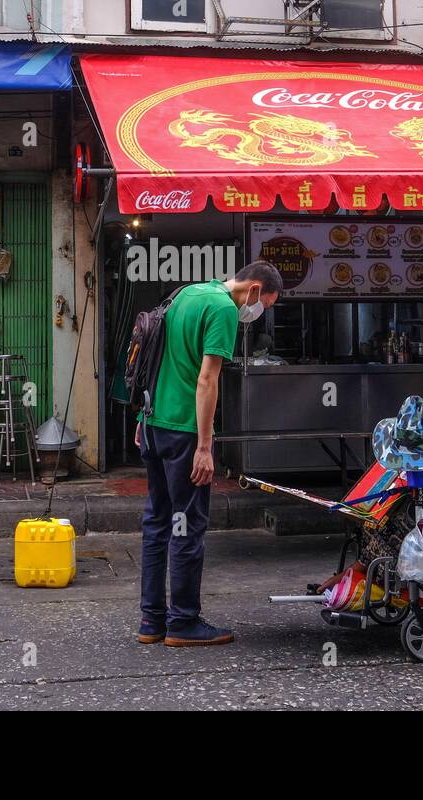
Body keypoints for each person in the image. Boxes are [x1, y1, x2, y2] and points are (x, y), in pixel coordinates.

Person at [134, 261, 282, 647]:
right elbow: (207, 378)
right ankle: (182, 621)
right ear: (252, 289)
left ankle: (151, 621)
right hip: (184, 431)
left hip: (153, 423)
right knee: (187, 524)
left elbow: (155, 358)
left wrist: (142, 416)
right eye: (264, 303)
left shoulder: (186, 293)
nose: (258, 312)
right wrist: (204, 445)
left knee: (157, 522)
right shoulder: (222, 310)